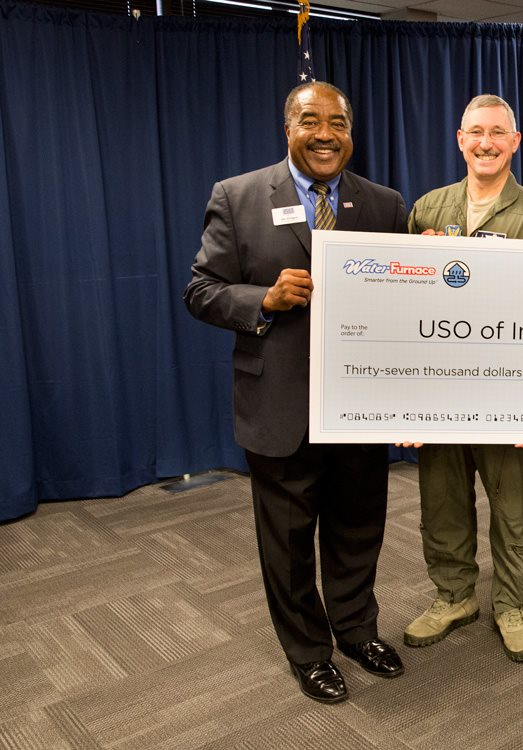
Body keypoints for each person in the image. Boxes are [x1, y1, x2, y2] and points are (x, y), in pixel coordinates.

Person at [183, 81, 408, 702]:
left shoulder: (384, 204)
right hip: (279, 406)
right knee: (286, 542)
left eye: (338, 123)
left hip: (359, 406)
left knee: (358, 529)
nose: (325, 134)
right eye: (311, 121)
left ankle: (357, 630)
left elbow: (405, 303)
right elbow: (201, 291)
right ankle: (308, 651)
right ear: (289, 129)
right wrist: (265, 299)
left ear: (350, 133)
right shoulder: (238, 196)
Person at [402, 94, 523, 663]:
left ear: (515, 142)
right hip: (442, 391)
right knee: (442, 503)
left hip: (511, 394)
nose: (486, 142)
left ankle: (512, 605)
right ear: (460, 140)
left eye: (498, 132)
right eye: (476, 132)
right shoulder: (427, 209)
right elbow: (398, 306)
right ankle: (453, 597)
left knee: (513, 508)